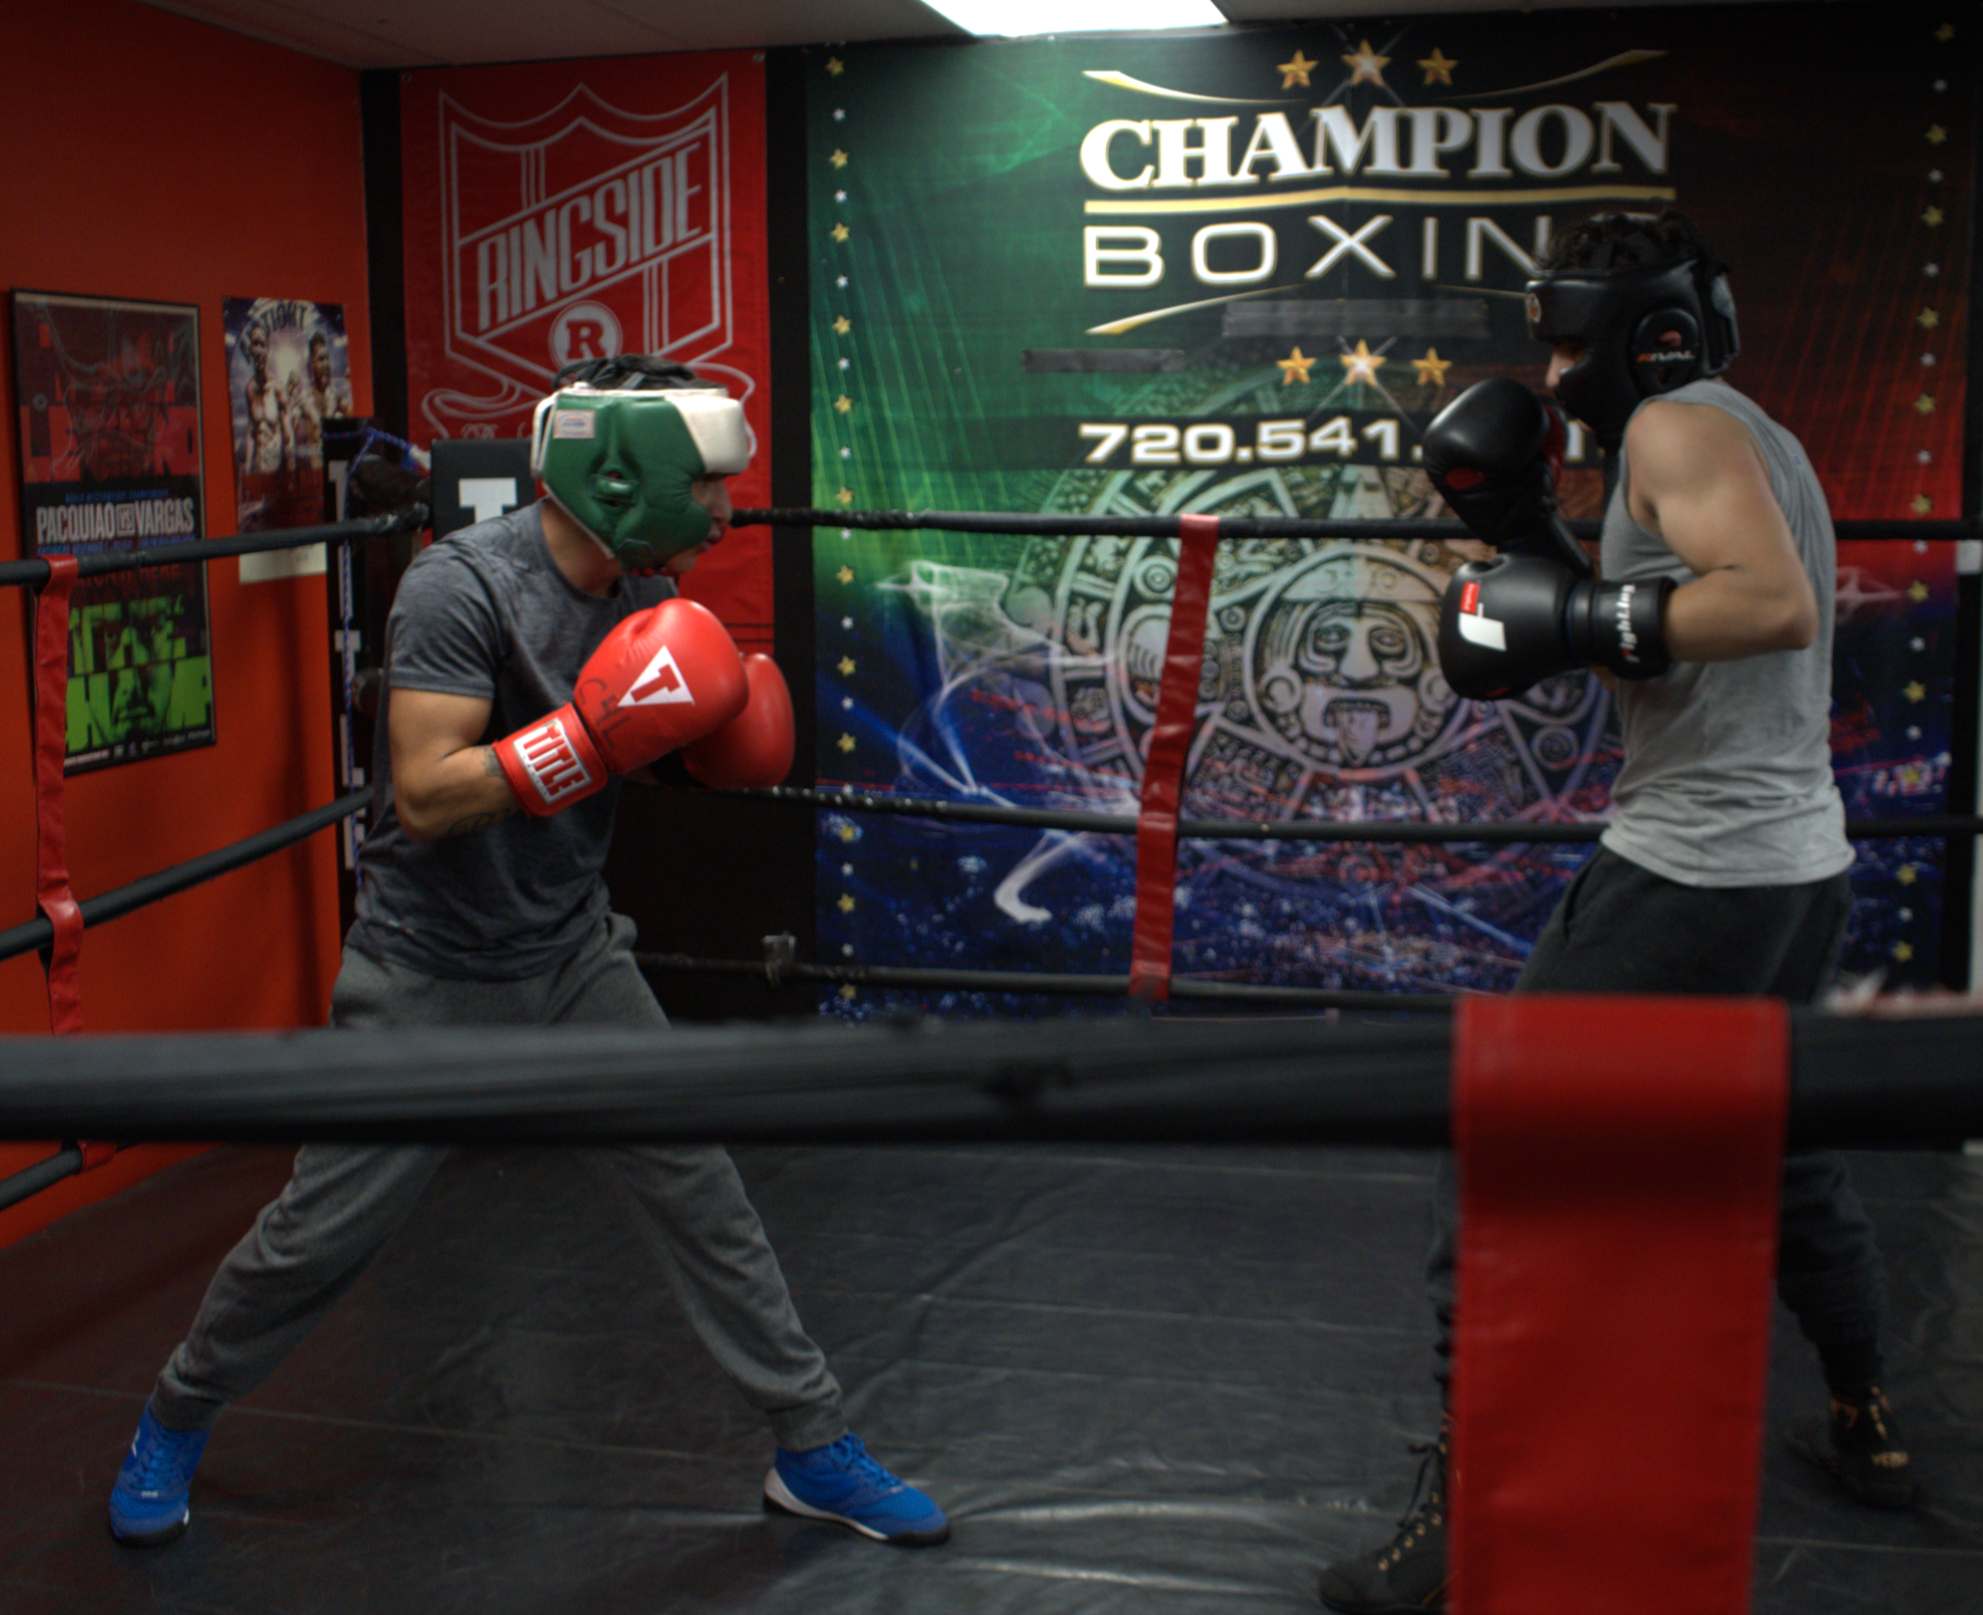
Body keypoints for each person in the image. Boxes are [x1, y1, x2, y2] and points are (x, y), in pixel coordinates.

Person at [108, 356, 950, 1553]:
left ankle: (810, 1444)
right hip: (430, 974)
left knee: (704, 1196)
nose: (722, 511)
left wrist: (697, 742)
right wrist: (594, 737)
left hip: (573, 961)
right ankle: (176, 1414)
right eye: (706, 485)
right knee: (316, 1236)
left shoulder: (640, 600)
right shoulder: (461, 588)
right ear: (623, 473)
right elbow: (425, 793)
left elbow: (637, 748)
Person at [1318, 209, 1913, 1615]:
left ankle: (1468, 1515)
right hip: (1793, 862)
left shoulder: (1672, 429)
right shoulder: (1747, 432)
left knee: (1506, 1150)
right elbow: (1679, 647)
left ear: (1650, 327)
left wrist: (1574, 618)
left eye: (1573, 336)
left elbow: (1761, 606)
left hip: (1690, 873)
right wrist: (1531, 546)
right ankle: (1863, 1414)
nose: (1558, 364)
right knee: (1780, 1144)